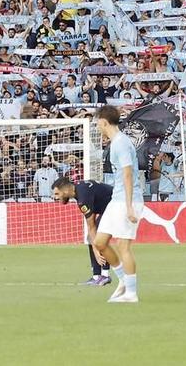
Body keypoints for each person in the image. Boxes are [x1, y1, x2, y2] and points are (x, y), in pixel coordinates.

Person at [94, 104, 141, 304]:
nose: (97, 127)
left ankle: (131, 293)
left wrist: (130, 206)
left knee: (123, 246)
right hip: (118, 198)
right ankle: (123, 281)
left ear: (104, 122)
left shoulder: (120, 143)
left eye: (97, 123)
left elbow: (128, 173)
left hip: (126, 200)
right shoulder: (116, 142)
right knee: (99, 242)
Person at [53, 174, 115, 287]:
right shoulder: (79, 189)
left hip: (117, 206)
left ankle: (105, 275)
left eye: (57, 193)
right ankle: (96, 276)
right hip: (109, 207)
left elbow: (91, 227)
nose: (55, 197)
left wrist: (97, 252)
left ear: (66, 190)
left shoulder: (83, 197)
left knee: (99, 237)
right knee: (91, 238)